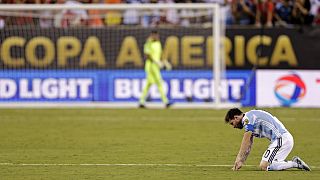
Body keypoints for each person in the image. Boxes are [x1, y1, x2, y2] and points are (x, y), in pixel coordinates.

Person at [224, 108, 311, 171]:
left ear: (236, 117)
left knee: (264, 166)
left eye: (232, 123)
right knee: (271, 166)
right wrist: (241, 161)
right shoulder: (250, 118)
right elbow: (249, 143)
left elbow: (246, 139)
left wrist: (238, 158)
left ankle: (295, 164)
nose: (234, 126)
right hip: (283, 139)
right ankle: (295, 163)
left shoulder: (247, 119)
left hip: (281, 139)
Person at [139, 30, 172, 108]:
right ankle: (165, 102)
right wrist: (156, 62)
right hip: (150, 66)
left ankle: (141, 101)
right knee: (159, 82)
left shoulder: (158, 43)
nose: (157, 37)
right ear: (152, 35)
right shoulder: (148, 44)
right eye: (155, 35)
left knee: (149, 84)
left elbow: (160, 54)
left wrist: (165, 62)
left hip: (156, 66)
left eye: (157, 36)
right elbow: (147, 55)